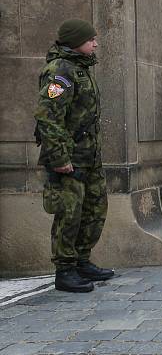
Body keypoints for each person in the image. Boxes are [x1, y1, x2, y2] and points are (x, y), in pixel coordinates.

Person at [34, 19, 115, 293]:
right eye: (90, 39)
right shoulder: (59, 71)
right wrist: (59, 159)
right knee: (69, 214)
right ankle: (65, 270)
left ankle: (82, 260)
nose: (95, 42)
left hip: (89, 156)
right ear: (75, 41)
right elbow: (48, 118)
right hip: (68, 159)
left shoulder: (81, 68)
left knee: (95, 209)